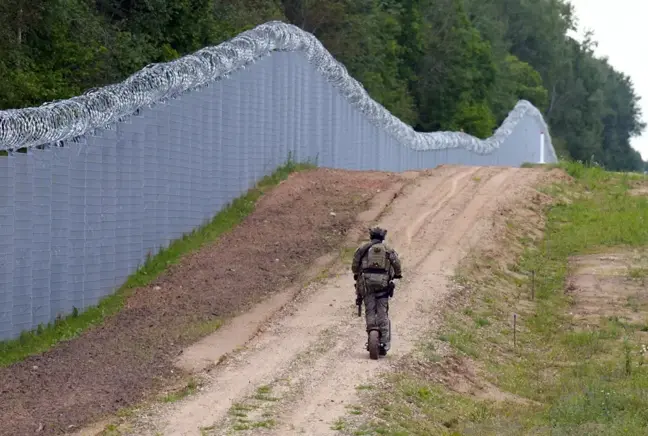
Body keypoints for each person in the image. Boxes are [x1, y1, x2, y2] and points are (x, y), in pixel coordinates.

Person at [351, 226, 402, 355]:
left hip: (366, 284)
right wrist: (398, 274)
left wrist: (357, 273)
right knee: (382, 311)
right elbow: (396, 263)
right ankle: (384, 342)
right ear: (383, 238)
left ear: (371, 236)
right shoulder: (388, 250)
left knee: (369, 309)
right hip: (383, 286)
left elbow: (355, 264)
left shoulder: (363, 248)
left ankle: (371, 333)